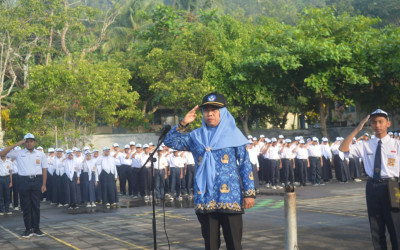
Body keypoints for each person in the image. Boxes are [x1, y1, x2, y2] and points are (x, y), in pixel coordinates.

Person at [164, 92, 255, 250]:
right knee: (210, 245)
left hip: (230, 197)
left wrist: (249, 193)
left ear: (223, 112)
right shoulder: (196, 136)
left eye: (214, 110)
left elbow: (245, 164)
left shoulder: (234, 135)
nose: (210, 114)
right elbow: (170, 141)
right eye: (206, 110)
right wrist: (183, 124)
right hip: (206, 198)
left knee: (234, 244)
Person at [339, 109, 400, 249]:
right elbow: (343, 149)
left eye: (380, 122)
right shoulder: (365, 145)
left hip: (392, 186)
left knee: (395, 227)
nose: (377, 125)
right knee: (376, 227)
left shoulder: (396, 145)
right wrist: (357, 129)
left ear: (388, 123)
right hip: (372, 186)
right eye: (374, 122)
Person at [0, 133, 47, 238]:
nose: (29, 143)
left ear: (34, 142)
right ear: (24, 143)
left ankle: (36, 228)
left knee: (36, 206)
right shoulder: (18, 153)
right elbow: (2, 153)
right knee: (26, 206)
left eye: (31, 141)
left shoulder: (40, 154)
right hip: (23, 181)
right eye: (27, 141)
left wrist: (44, 184)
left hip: (37, 180)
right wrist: (17, 143)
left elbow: (44, 170)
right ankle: (28, 229)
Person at [0, 151, 13, 215]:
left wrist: (11, 182)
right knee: (0, 195)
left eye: (4, 153)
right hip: (0, 178)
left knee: (7, 194)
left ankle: (7, 209)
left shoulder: (9, 162)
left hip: (7, 178)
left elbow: (10, 172)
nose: (3, 154)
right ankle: (1, 210)